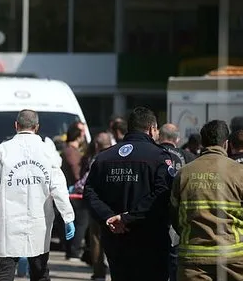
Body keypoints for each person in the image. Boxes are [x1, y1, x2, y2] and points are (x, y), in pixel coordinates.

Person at [0, 109, 75, 281]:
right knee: (39, 270)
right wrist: (68, 216)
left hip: (8, 219)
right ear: (37, 127)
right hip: (39, 220)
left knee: (5, 271)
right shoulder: (48, 152)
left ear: (16, 125)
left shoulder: (1, 151)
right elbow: (58, 188)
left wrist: (0, 194)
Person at [83, 107, 174, 281]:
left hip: (116, 241)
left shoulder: (104, 158)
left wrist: (109, 217)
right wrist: (128, 217)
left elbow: (89, 192)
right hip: (150, 240)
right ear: (151, 129)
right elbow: (163, 194)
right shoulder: (159, 157)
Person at [171, 120, 243, 281]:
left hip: (193, 261)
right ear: (226, 144)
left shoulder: (184, 173)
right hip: (233, 259)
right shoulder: (239, 172)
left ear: (202, 143)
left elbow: (174, 215)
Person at [158, 123, 197, 281]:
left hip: (154, 211)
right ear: (178, 139)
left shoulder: (152, 153)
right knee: (175, 256)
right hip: (179, 213)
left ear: (159, 136)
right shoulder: (189, 158)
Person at [75, 132, 113, 281]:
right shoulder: (118, 156)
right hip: (114, 205)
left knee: (96, 238)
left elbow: (84, 183)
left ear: (97, 145)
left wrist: (75, 187)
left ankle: (99, 273)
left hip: (97, 205)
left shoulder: (96, 159)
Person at [61, 125, 88, 261]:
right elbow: (75, 170)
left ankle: (71, 249)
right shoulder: (71, 152)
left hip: (72, 191)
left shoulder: (71, 150)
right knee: (81, 222)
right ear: (78, 136)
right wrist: (80, 181)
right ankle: (74, 251)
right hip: (74, 192)